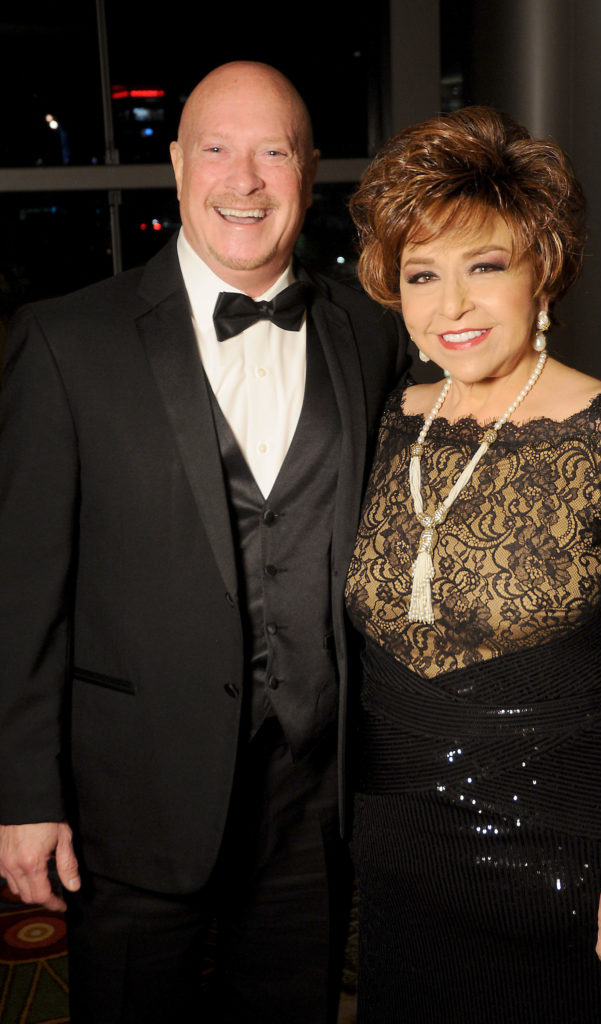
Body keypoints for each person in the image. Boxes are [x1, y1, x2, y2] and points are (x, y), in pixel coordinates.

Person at [0, 61, 408, 1023]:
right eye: (218, 150)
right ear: (177, 164)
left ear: (307, 170)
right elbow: (22, 595)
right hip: (131, 791)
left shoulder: (367, 329)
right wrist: (21, 793)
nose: (245, 179)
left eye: (274, 152)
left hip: (315, 792)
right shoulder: (67, 342)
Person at [344, 105, 601, 1023]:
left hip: (572, 872)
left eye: (485, 267)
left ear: (542, 271)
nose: (453, 306)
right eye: (423, 275)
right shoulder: (395, 417)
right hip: (402, 861)